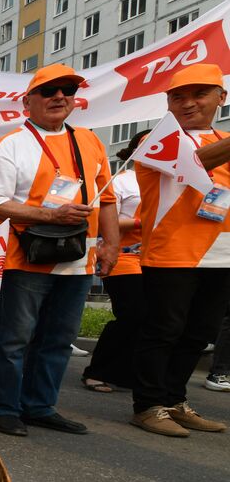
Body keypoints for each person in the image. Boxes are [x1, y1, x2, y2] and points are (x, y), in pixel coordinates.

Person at [0, 64, 118, 436]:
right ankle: (6, 408)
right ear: (28, 102)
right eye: (49, 90)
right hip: (30, 260)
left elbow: (107, 200)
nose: (59, 96)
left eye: (67, 90)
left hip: (79, 260)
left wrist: (112, 245)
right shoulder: (11, 144)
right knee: (15, 338)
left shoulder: (89, 140)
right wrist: (48, 214)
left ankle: (40, 406)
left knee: (58, 339)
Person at [129, 63, 230, 437]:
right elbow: (193, 165)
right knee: (164, 329)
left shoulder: (221, 136)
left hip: (221, 253)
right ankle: (148, 405)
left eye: (199, 94)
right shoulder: (157, 140)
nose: (188, 103)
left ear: (222, 98)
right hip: (171, 252)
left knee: (200, 333)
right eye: (178, 96)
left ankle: (174, 400)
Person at [83, 136, 145, 393]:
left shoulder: (169, 181)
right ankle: (96, 371)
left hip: (156, 258)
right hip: (124, 257)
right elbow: (103, 221)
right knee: (131, 314)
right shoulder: (121, 180)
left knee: (150, 319)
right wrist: (143, 221)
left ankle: (126, 372)